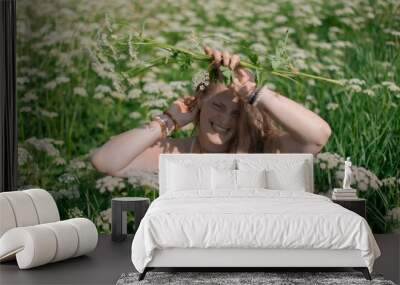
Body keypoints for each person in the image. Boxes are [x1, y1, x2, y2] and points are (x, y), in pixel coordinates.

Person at [90, 46, 332, 177]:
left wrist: (254, 92)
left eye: (237, 112)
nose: (225, 119)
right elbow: (105, 161)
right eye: (218, 105)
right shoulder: (177, 152)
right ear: (200, 100)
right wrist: (167, 121)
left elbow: (318, 136)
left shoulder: (263, 148)